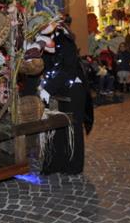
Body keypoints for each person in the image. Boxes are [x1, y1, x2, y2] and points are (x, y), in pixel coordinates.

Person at [39, 25, 94, 175]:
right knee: (56, 126)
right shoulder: (45, 40)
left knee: (73, 128)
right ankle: (56, 162)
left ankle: (73, 165)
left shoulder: (64, 40)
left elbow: (67, 68)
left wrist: (48, 88)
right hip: (58, 89)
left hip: (73, 90)